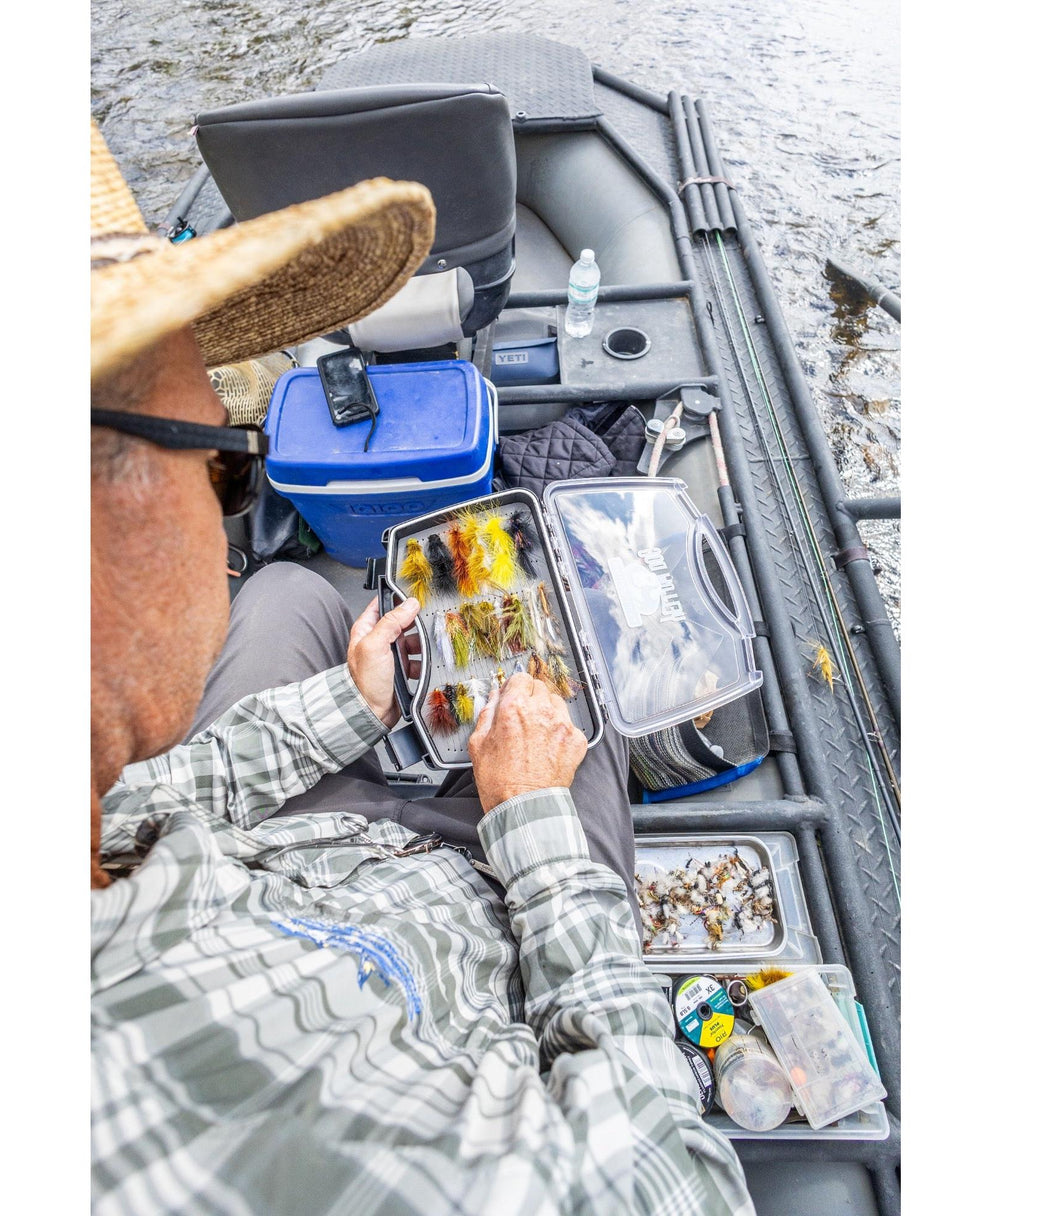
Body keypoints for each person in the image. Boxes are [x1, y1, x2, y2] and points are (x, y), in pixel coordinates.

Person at [90, 119, 752, 1215]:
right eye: (225, 464)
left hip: (284, 838)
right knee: (582, 711)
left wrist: (346, 709)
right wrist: (533, 832)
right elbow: (674, 1186)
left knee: (295, 591)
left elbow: (161, 793)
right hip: (482, 910)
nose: (225, 519)